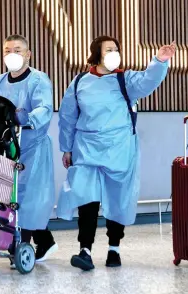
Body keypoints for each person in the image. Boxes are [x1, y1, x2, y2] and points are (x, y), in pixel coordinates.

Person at [57, 35, 176, 271]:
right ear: (96, 53)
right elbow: (67, 116)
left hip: (119, 148)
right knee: (87, 199)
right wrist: (67, 148)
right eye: (108, 49)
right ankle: (85, 250)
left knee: (117, 198)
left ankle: (114, 249)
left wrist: (159, 61)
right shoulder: (80, 81)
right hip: (86, 148)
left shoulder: (126, 79)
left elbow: (147, 81)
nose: (114, 52)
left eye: (116, 48)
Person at [0, 34, 58, 267]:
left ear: (28, 54)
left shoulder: (38, 80)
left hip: (32, 147)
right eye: (7, 50)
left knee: (28, 198)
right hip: (5, 148)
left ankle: (19, 246)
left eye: (17, 50)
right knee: (6, 195)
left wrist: (25, 120)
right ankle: (45, 241)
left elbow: (45, 107)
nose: (12, 54)